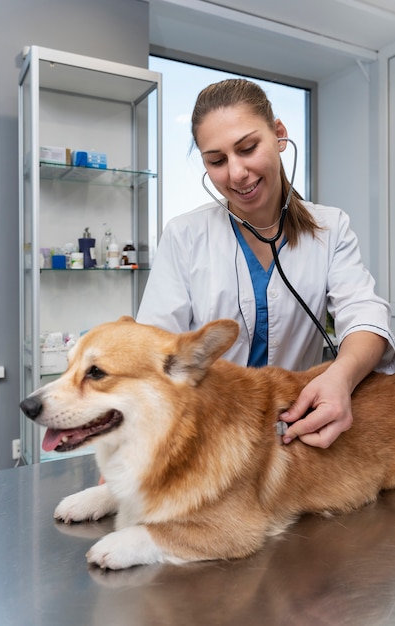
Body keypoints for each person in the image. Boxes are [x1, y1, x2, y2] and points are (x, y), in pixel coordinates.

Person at [136, 78, 395, 449]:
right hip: (203, 437)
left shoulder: (330, 228)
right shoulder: (185, 235)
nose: (237, 173)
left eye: (248, 148)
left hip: (295, 433)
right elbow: (153, 353)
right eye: (217, 160)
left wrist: (342, 376)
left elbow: (366, 316)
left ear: (278, 134)